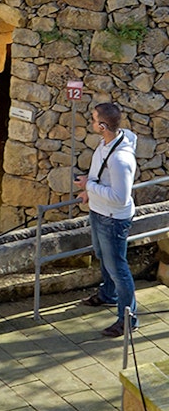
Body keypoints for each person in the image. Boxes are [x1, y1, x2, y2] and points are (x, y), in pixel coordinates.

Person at [73, 102, 139, 338]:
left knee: (118, 269)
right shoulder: (111, 141)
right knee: (103, 257)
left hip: (112, 219)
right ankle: (108, 295)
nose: (90, 122)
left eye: (93, 119)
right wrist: (88, 192)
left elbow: (121, 198)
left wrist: (89, 186)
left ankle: (127, 320)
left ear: (102, 126)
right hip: (99, 212)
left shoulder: (120, 160)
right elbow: (101, 176)